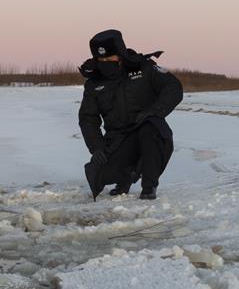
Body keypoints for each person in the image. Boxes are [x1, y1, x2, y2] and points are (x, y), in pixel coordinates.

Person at [78, 29, 183, 200]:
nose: (105, 62)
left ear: (120, 55)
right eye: (101, 59)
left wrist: (154, 112)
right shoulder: (93, 83)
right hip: (117, 138)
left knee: (152, 131)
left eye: (109, 58)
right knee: (99, 173)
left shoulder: (144, 68)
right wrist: (96, 147)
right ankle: (125, 177)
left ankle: (149, 185)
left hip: (146, 127)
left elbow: (173, 88)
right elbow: (88, 119)